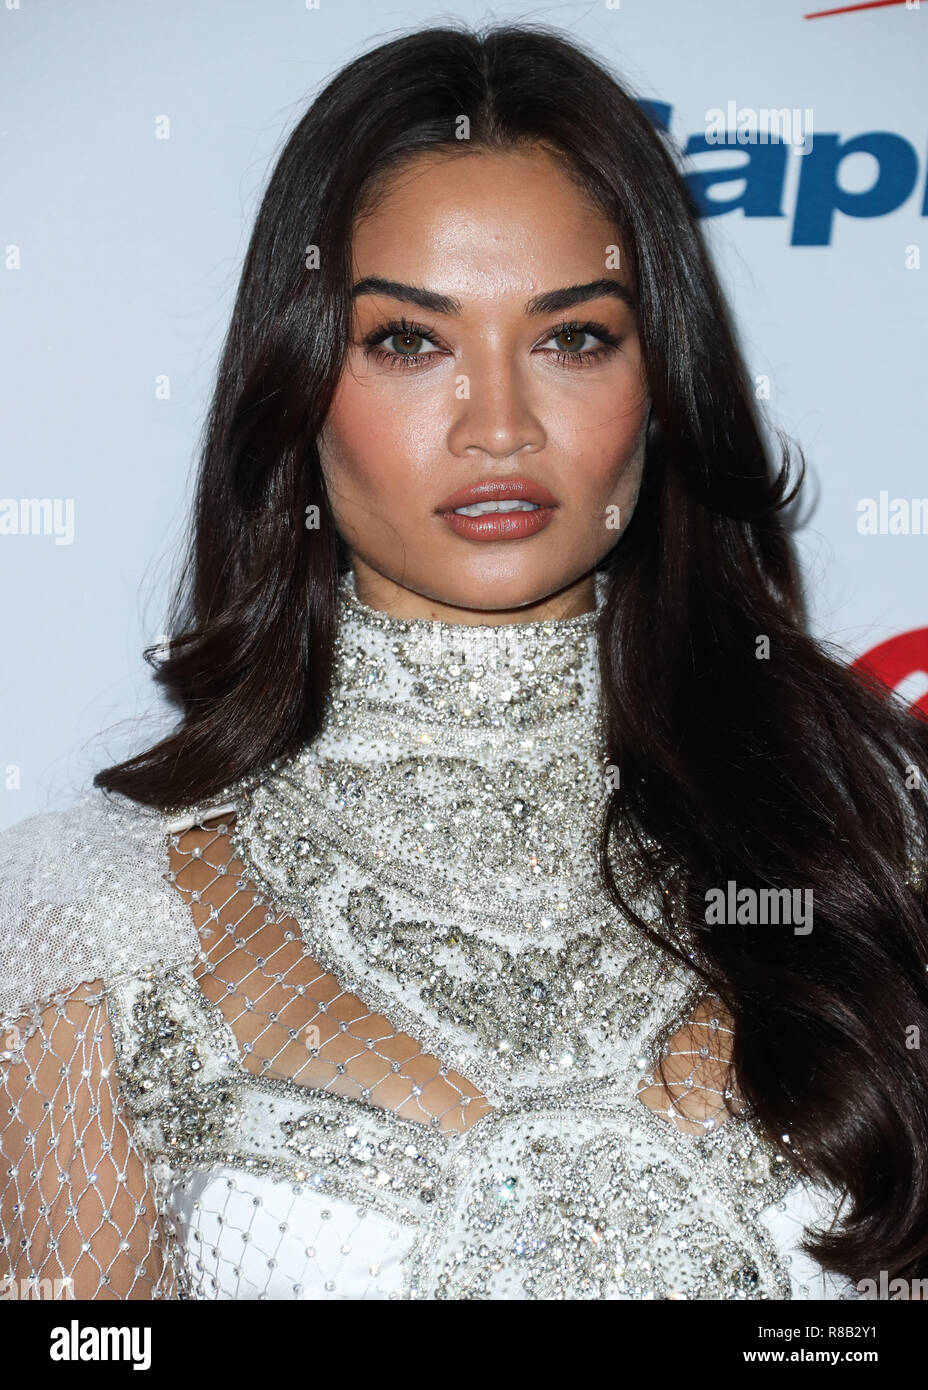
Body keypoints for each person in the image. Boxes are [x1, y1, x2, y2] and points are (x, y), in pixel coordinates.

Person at [2, 21, 927, 1302]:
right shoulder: (106, 920)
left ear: (662, 383)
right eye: (407, 342)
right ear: (296, 382)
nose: (498, 424)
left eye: (573, 338)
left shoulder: (875, 841)